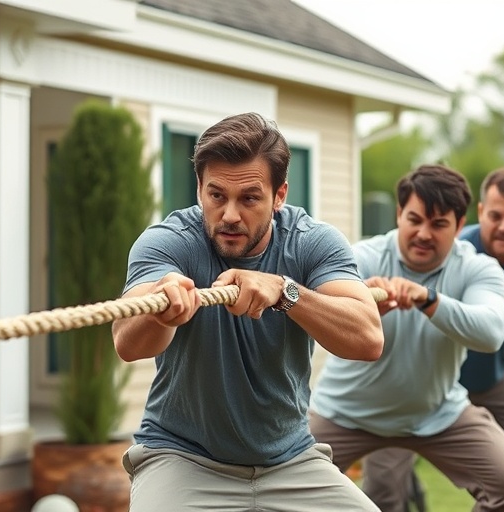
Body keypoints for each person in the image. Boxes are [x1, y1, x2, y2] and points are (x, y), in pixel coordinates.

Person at [111, 112, 385, 511]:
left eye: (250, 198)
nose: (230, 215)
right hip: (183, 457)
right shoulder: (169, 242)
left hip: (290, 461)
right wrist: (160, 310)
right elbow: (127, 342)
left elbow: (368, 338)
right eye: (216, 195)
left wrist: (285, 292)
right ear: (200, 188)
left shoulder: (313, 243)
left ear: (279, 195)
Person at [363, 166, 504, 512]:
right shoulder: (451, 246)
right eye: (496, 215)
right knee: (383, 489)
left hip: (494, 378)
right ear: (481, 213)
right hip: (418, 383)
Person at [309, 164, 504, 512]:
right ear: (400, 214)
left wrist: (428, 299)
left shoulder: (479, 268)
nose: (424, 234)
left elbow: (491, 333)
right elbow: (316, 308)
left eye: (439, 224)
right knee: (278, 484)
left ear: (460, 226)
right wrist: (362, 306)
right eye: (415, 220)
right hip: (344, 414)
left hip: (437, 413)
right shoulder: (362, 258)